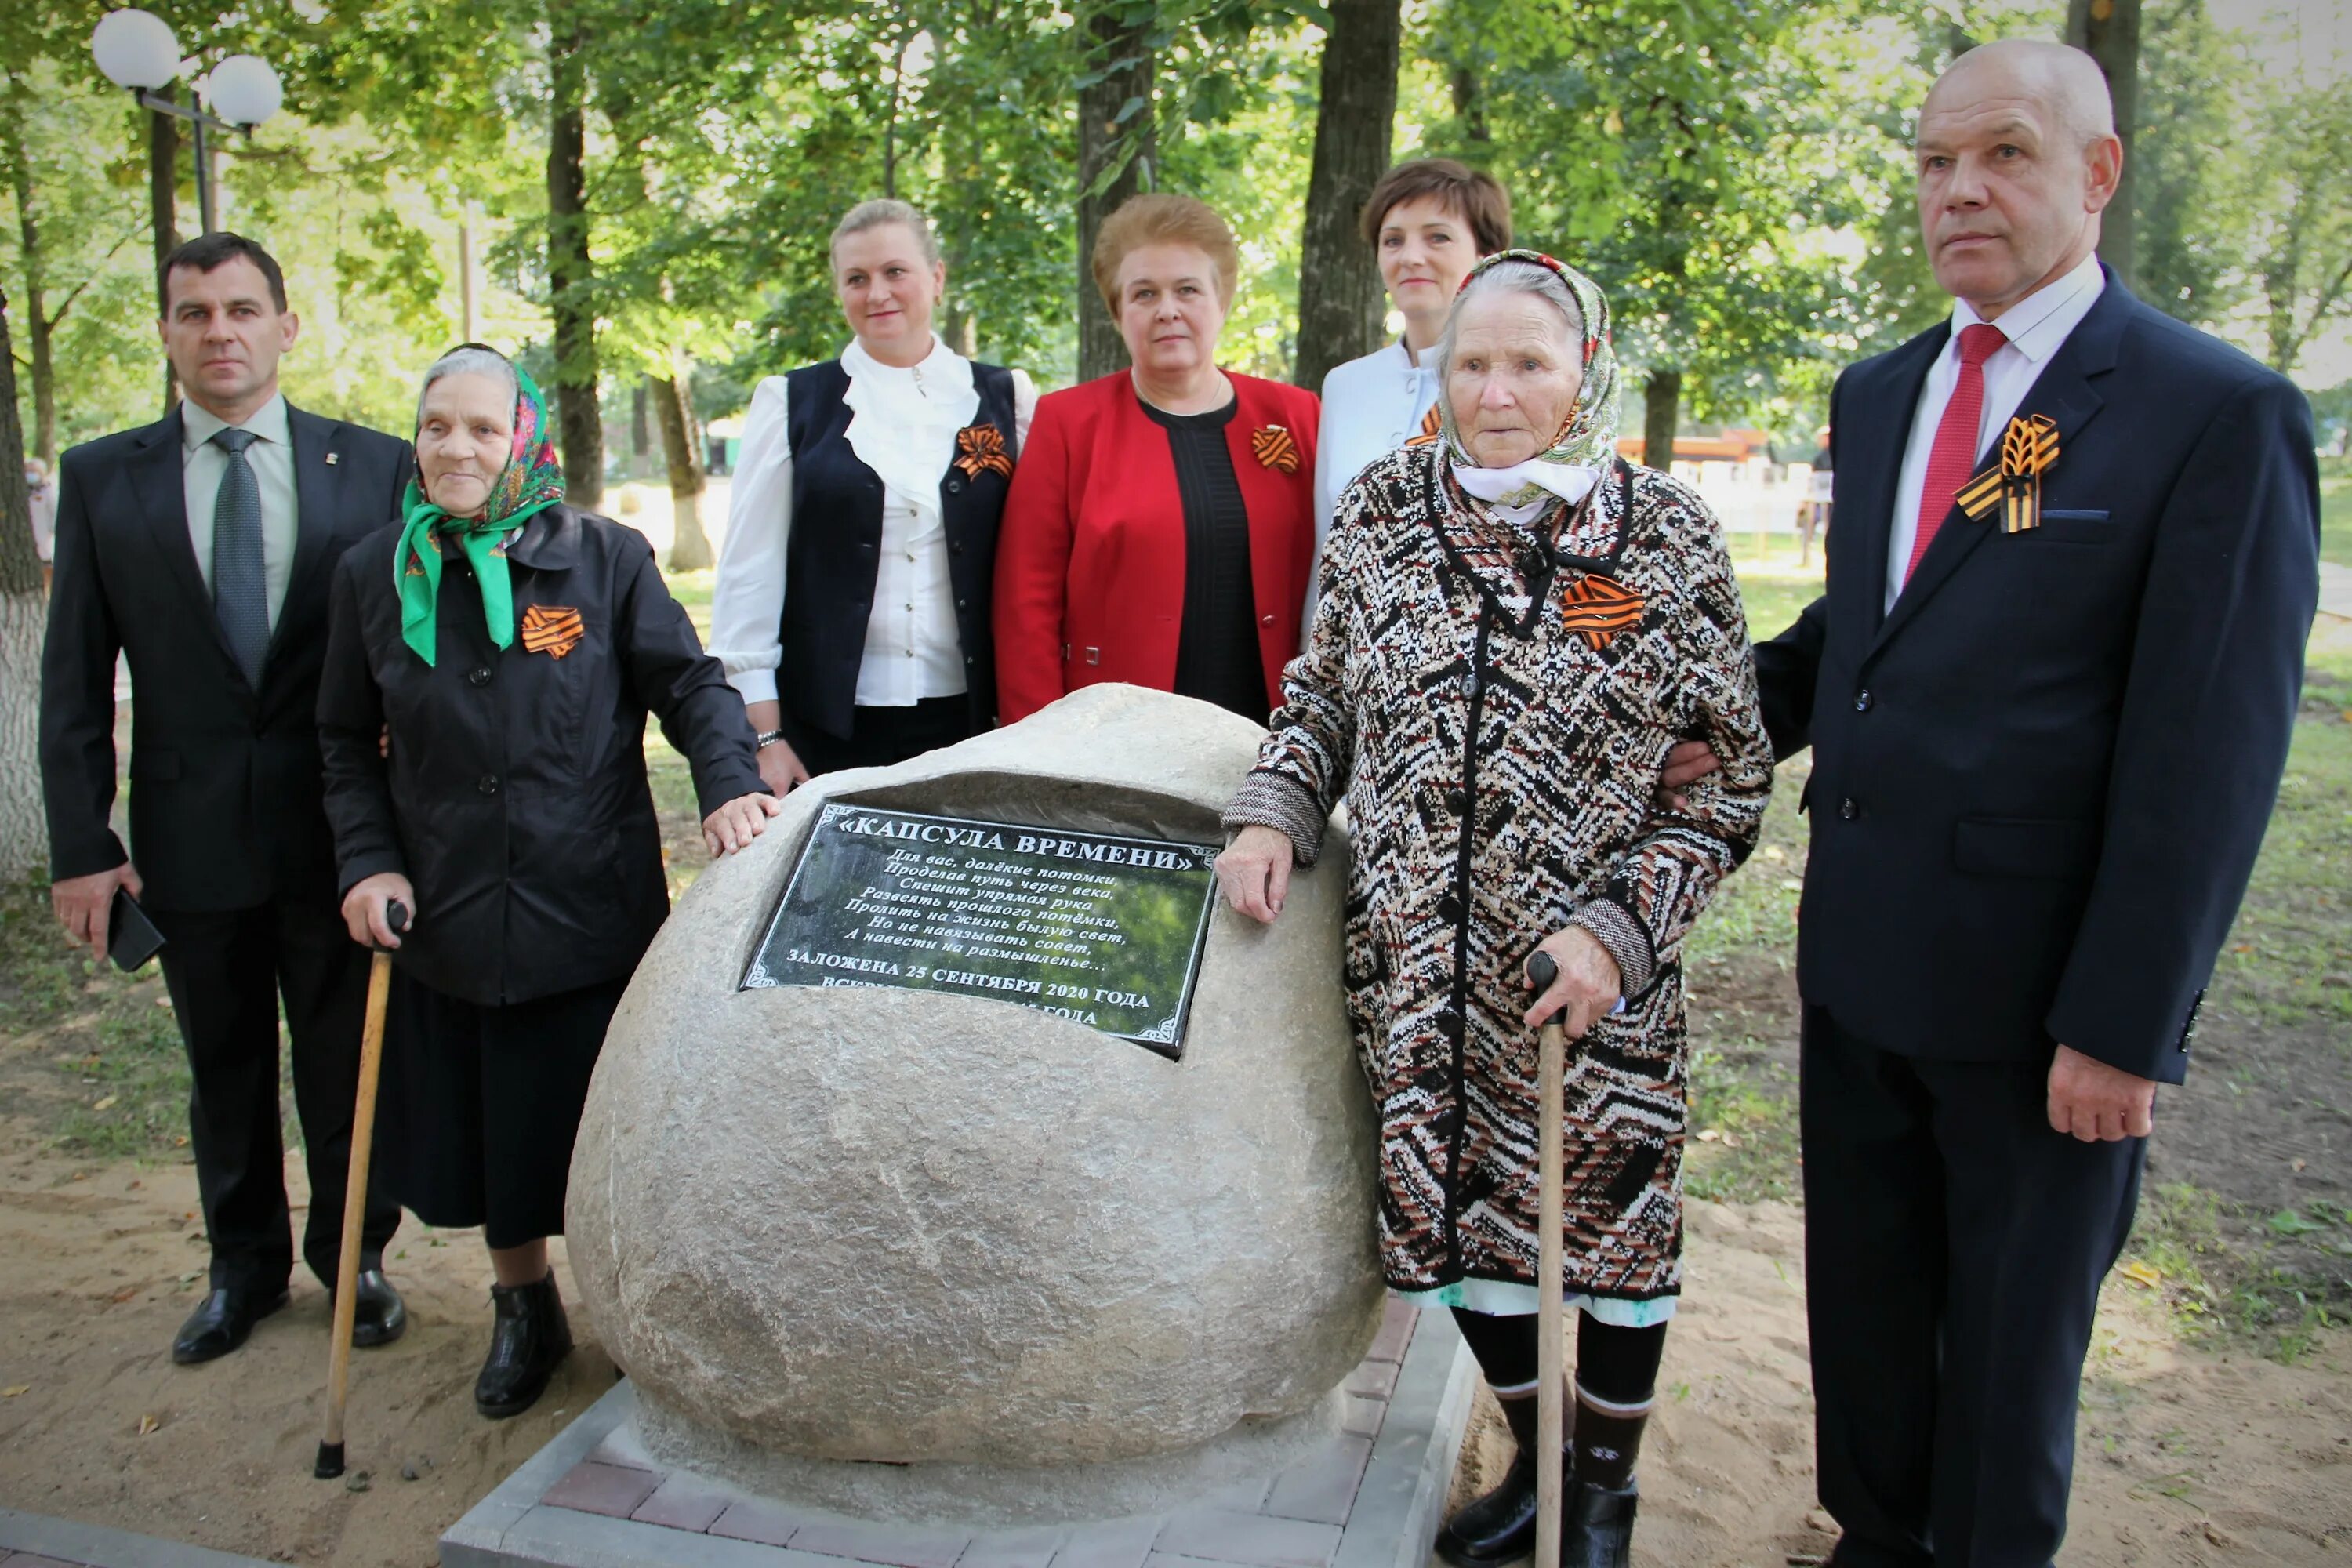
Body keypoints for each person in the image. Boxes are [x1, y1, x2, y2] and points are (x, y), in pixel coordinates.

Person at [1659, 42, 2320, 1566]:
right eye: (1935, 161)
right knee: (1872, 1337)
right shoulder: (1884, 393)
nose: (1961, 188)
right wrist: (1710, 730)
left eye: (2006, 155)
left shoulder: (2213, 414)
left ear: (2096, 175)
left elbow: (2207, 753)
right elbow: (1860, 641)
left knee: (2009, 1371)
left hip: (2044, 1018)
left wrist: (2124, 1022)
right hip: (1863, 966)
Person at [1216, 250, 1773, 1567]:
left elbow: (1727, 779)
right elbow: (1324, 701)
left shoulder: (1661, 535)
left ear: (1587, 371)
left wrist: (1621, 930)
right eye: (1473, 362)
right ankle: (1539, 1466)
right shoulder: (1381, 514)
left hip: (1589, 977)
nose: (1499, 391)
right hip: (1418, 969)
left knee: (1615, 1229)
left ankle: (1608, 1495)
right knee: (1462, 1223)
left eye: (1531, 361)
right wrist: (1272, 808)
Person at [318, 345, 777, 1419]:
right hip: (452, 911)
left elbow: (690, 683)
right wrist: (367, 859)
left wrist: (728, 786)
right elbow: (342, 741)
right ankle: (524, 1308)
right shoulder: (373, 575)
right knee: (492, 1138)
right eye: (439, 427)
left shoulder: (604, 559)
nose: (458, 447)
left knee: (608, 1130)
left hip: (591, 909)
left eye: (483, 428)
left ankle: (626, 1308)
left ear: (526, 442)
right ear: (417, 440)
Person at [39, 233, 412, 1366]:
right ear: (165, 333)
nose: (221, 332)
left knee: (348, 1068)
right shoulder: (107, 478)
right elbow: (70, 671)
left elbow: (413, 666)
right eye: (195, 312)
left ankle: (357, 1263)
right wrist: (80, 845)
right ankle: (240, 1270)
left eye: (243, 309)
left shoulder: (377, 465)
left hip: (340, 836)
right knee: (227, 1069)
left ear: (286, 328)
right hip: (187, 839)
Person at [710, 199, 1036, 786]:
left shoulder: (1007, 397)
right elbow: (748, 577)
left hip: (973, 720)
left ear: (936, 279)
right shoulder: (791, 403)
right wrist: (765, 735)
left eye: (894, 272)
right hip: (826, 725)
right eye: (856, 279)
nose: (876, 292)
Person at [993, 194, 1320, 725]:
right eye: (1144, 293)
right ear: (1119, 312)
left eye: (1187, 289)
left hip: (1270, 736)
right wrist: (1039, 745)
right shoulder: (1069, 424)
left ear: (1222, 301)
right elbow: (1024, 607)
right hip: (1114, 735)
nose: (1167, 309)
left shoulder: (1297, 415)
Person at [1308, 158, 1510, 631]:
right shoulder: (1345, 385)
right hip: (1358, 658)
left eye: (1437, 237)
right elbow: (1327, 544)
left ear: (1487, 255)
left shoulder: (1517, 386)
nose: (1410, 256)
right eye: (1393, 240)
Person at [25, 456, 55, 588]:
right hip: (25, 536)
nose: (31, 473)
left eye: (34, 470)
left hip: (44, 536)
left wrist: (52, 530)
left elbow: (54, 512)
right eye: (28, 470)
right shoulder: (22, 491)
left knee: (46, 566)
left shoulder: (47, 490)